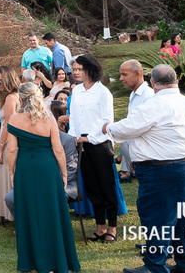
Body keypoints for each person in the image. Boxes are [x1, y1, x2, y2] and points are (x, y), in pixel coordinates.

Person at [101, 63, 185, 273]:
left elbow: (126, 129)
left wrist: (107, 127)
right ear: (177, 82)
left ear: (152, 83)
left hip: (162, 172)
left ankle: (154, 266)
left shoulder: (153, 106)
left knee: (156, 219)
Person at [4, 82, 81, 273]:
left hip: (25, 167)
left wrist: (12, 172)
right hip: (47, 168)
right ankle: (57, 261)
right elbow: (58, 150)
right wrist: (63, 173)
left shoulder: (14, 119)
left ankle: (32, 262)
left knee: (28, 211)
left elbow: (12, 149)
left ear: (20, 99)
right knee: (52, 211)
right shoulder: (48, 118)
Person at [69, 53, 118, 242]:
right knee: (92, 187)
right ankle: (100, 227)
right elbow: (73, 117)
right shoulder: (77, 91)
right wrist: (74, 135)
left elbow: (107, 121)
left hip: (100, 145)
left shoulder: (102, 92)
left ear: (89, 70)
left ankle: (112, 227)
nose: (75, 72)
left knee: (106, 186)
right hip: (81, 146)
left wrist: (90, 138)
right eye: (74, 69)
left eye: (79, 69)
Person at [118, 59, 154, 183]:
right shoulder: (134, 94)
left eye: (124, 74)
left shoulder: (148, 95)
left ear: (137, 74)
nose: (120, 79)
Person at [0, 67, 20, 223]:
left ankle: (15, 216)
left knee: (10, 176)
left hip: (10, 140)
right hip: (8, 139)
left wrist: (0, 147)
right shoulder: (9, 96)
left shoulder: (11, 97)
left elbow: (9, 124)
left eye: (0, 80)